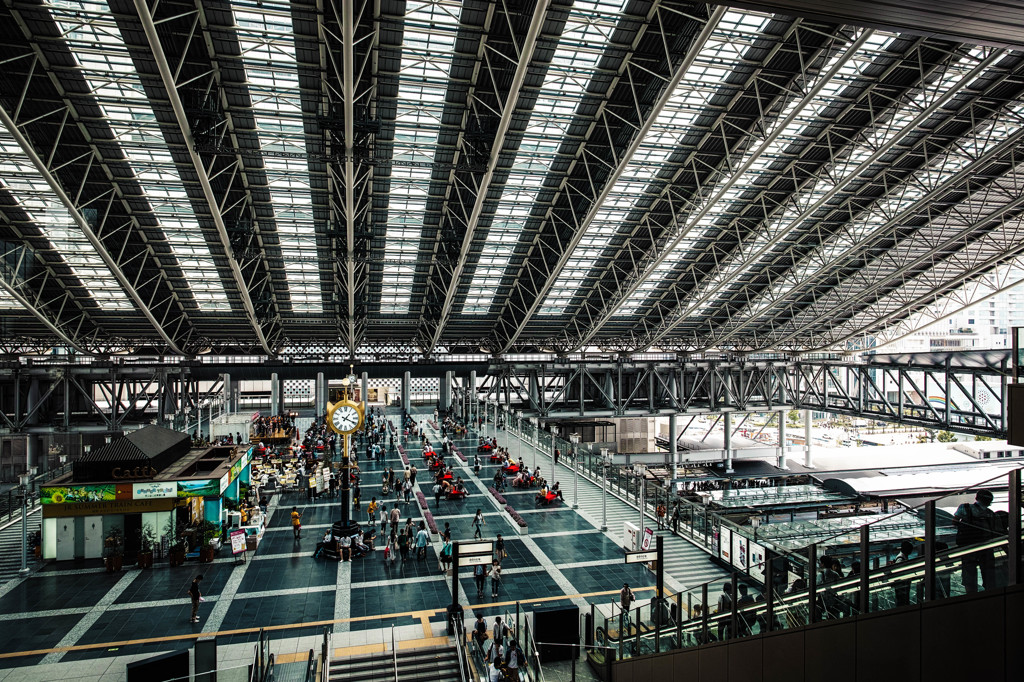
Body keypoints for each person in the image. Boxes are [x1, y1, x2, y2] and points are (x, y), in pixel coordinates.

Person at [954, 489, 1001, 592]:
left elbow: (955, 521)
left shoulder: (965, 507)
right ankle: (990, 592)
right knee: (988, 571)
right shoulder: (990, 513)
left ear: (977, 498)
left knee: (969, 571)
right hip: (986, 546)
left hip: (968, 546)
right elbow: (995, 530)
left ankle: (971, 593)